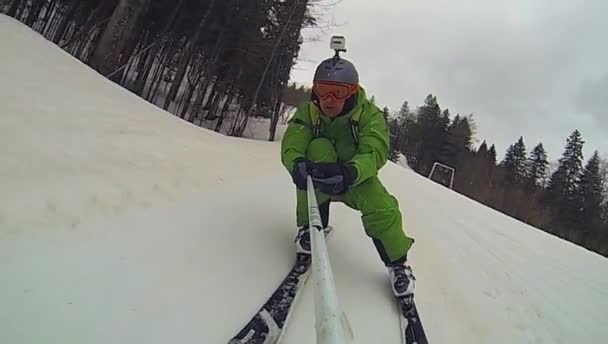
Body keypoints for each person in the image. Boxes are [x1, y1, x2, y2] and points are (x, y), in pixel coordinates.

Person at [280, 54, 416, 299]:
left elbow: (375, 149)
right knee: (315, 152)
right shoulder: (309, 111)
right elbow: (294, 139)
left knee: (382, 207)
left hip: (353, 178)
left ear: (352, 92)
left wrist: (351, 172)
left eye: (338, 93)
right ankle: (310, 227)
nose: (329, 100)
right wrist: (296, 163)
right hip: (321, 174)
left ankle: (398, 264)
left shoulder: (368, 115)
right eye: (323, 91)